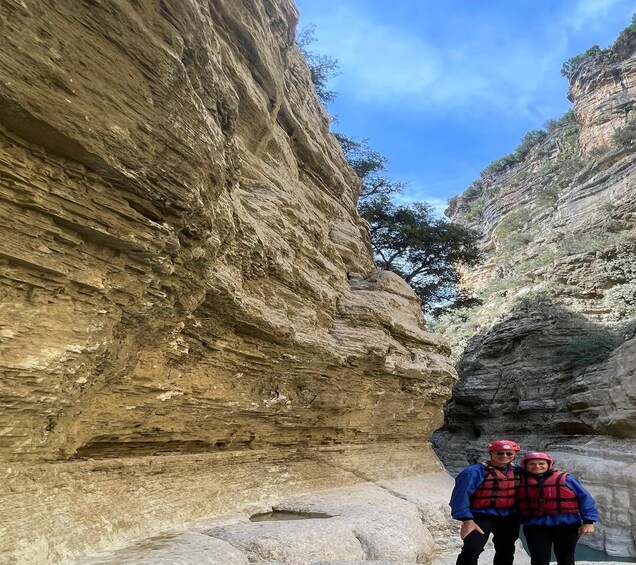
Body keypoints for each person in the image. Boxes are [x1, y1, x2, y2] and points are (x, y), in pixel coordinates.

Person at [518, 452, 599, 565]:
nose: (537, 466)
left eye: (541, 463)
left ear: (549, 465)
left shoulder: (566, 479)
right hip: (535, 525)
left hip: (566, 525)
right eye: (532, 464)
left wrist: (588, 521)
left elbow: (585, 499)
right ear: (525, 466)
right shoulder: (520, 480)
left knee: (565, 557)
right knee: (539, 558)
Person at [450, 439, 522, 565]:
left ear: (515, 454)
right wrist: (467, 520)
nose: (504, 456)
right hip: (480, 516)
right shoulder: (474, 472)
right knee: (471, 549)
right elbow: (460, 496)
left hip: (509, 517)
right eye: (499, 453)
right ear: (491, 453)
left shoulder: (519, 471)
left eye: (509, 454)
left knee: (506, 550)